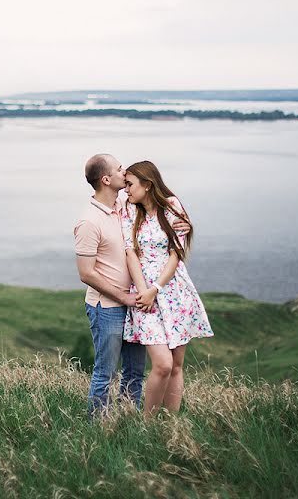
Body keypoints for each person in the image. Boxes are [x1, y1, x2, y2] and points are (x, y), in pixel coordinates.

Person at [74, 154, 189, 418]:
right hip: (109, 307)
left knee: (135, 372)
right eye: (118, 169)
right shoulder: (89, 221)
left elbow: (158, 207)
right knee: (106, 372)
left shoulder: (125, 205)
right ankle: (98, 428)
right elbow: (85, 273)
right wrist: (123, 298)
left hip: (137, 302)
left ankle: (127, 420)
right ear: (106, 179)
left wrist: (186, 225)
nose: (123, 171)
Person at [121, 160, 213, 417]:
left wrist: (157, 288)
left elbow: (176, 253)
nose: (125, 190)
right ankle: (148, 427)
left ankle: (170, 426)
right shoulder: (129, 210)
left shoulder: (172, 205)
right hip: (144, 292)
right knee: (162, 364)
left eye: (130, 184)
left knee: (176, 365)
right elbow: (130, 253)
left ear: (148, 185)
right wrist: (144, 291)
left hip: (174, 290)